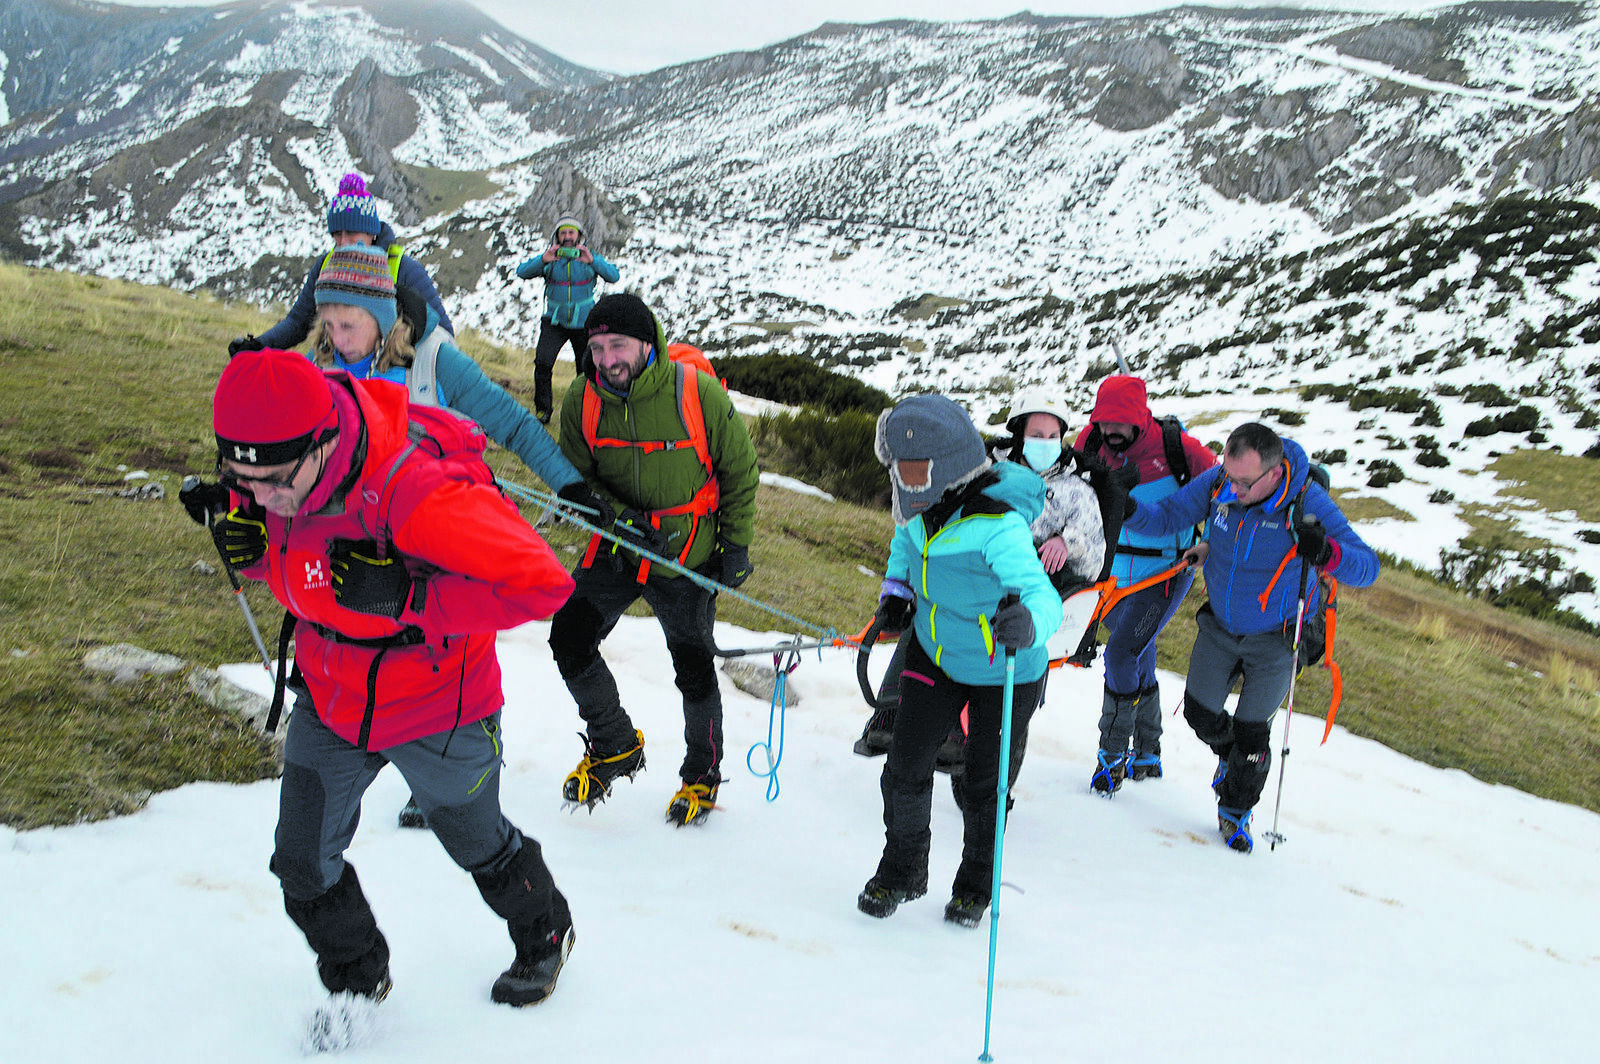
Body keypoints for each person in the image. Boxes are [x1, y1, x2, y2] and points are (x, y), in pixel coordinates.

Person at [193, 348, 579, 1007]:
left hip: (440, 704)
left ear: (324, 441)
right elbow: (304, 560)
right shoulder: (279, 468)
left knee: (477, 842)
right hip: (332, 694)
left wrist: (409, 598)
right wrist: (256, 553)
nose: (263, 499)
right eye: (242, 481)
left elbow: (544, 585)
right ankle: (357, 982)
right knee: (301, 862)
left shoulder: (417, 493)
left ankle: (546, 932)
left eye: (274, 485)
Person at [304, 240, 613, 830]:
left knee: (453, 635)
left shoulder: (435, 358)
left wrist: (568, 487)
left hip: (443, 518)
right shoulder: (326, 368)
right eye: (328, 323)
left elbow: (512, 423)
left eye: (349, 323)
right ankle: (385, 747)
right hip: (368, 526)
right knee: (383, 634)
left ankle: (467, 751)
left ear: (382, 315)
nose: (337, 337)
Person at [548, 293, 758, 826]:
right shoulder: (582, 400)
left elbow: (739, 468)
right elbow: (574, 477)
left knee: (693, 669)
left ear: (648, 343)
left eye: (617, 344)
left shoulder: (697, 393)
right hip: (618, 549)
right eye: (595, 347)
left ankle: (701, 777)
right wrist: (614, 515)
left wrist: (735, 547)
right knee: (569, 636)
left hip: (687, 556)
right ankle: (614, 742)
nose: (606, 358)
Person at [1122, 421, 1378, 853]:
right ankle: (1232, 760)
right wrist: (1122, 505)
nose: (1232, 489)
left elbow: (1366, 567)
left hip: (1275, 638)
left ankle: (1235, 811)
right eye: (1228, 476)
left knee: (1253, 734)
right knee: (1200, 714)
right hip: (1221, 627)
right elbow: (1167, 517)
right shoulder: (1220, 483)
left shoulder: (1306, 502)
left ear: (1275, 473)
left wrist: (1326, 551)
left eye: (1244, 482)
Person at [857, 395, 1062, 928]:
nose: (904, 478)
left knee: (982, 786)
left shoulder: (999, 526)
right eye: (898, 467)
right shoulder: (921, 507)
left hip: (1004, 668)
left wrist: (1030, 624)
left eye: (914, 468)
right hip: (937, 652)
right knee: (903, 769)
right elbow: (905, 546)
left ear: (946, 465)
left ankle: (975, 887)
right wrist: (897, 592)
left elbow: (1043, 597)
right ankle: (902, 872)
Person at [855, 392, 1105, 767]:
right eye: (1037, 434)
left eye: (1053, 436)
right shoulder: (984, 469)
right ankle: (893, 710)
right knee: (931, 615)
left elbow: (1095, 554)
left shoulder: (1076, 492)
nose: (1045, 444)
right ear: (1019, 434)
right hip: (969, 569)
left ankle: (970, 741)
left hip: (1030, 581)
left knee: (986, 634)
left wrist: (1065, 543)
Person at [1074, 374, 1217, 795]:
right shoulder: (1092, 441)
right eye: (1103, 423)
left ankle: (1111, 757)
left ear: (1141, 420)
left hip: (1166, 573)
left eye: (1119, 425)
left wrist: (1210, 543)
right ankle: (1149, 751)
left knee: (1121, 651)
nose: (1110, 432)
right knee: (1137, 647)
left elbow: (1226, 495)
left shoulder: (1180, 450)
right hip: (1111, 569)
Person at [231, 173, 454, 355]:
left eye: (352, 232)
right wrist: (257, 347)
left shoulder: (405, 271)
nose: (344, 242)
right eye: (337, 234)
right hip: (338, 369)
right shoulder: (325, 266)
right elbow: (298, 323)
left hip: (390, 380)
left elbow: (444, 337)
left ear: (372, 232)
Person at [515, 215, 621, 424]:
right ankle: (543, 410)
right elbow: (522, 272)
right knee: (543, 363)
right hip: (554, 321)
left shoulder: (590, 260)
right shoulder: (550, 260)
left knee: (586, 369)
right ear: (557, 236)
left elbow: (614, 276)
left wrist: (593, 261)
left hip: (584, 323)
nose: (567, 237)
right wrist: (543, 260)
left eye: (571, 232)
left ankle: (586, 412)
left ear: (579, 236)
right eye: (563, 233)